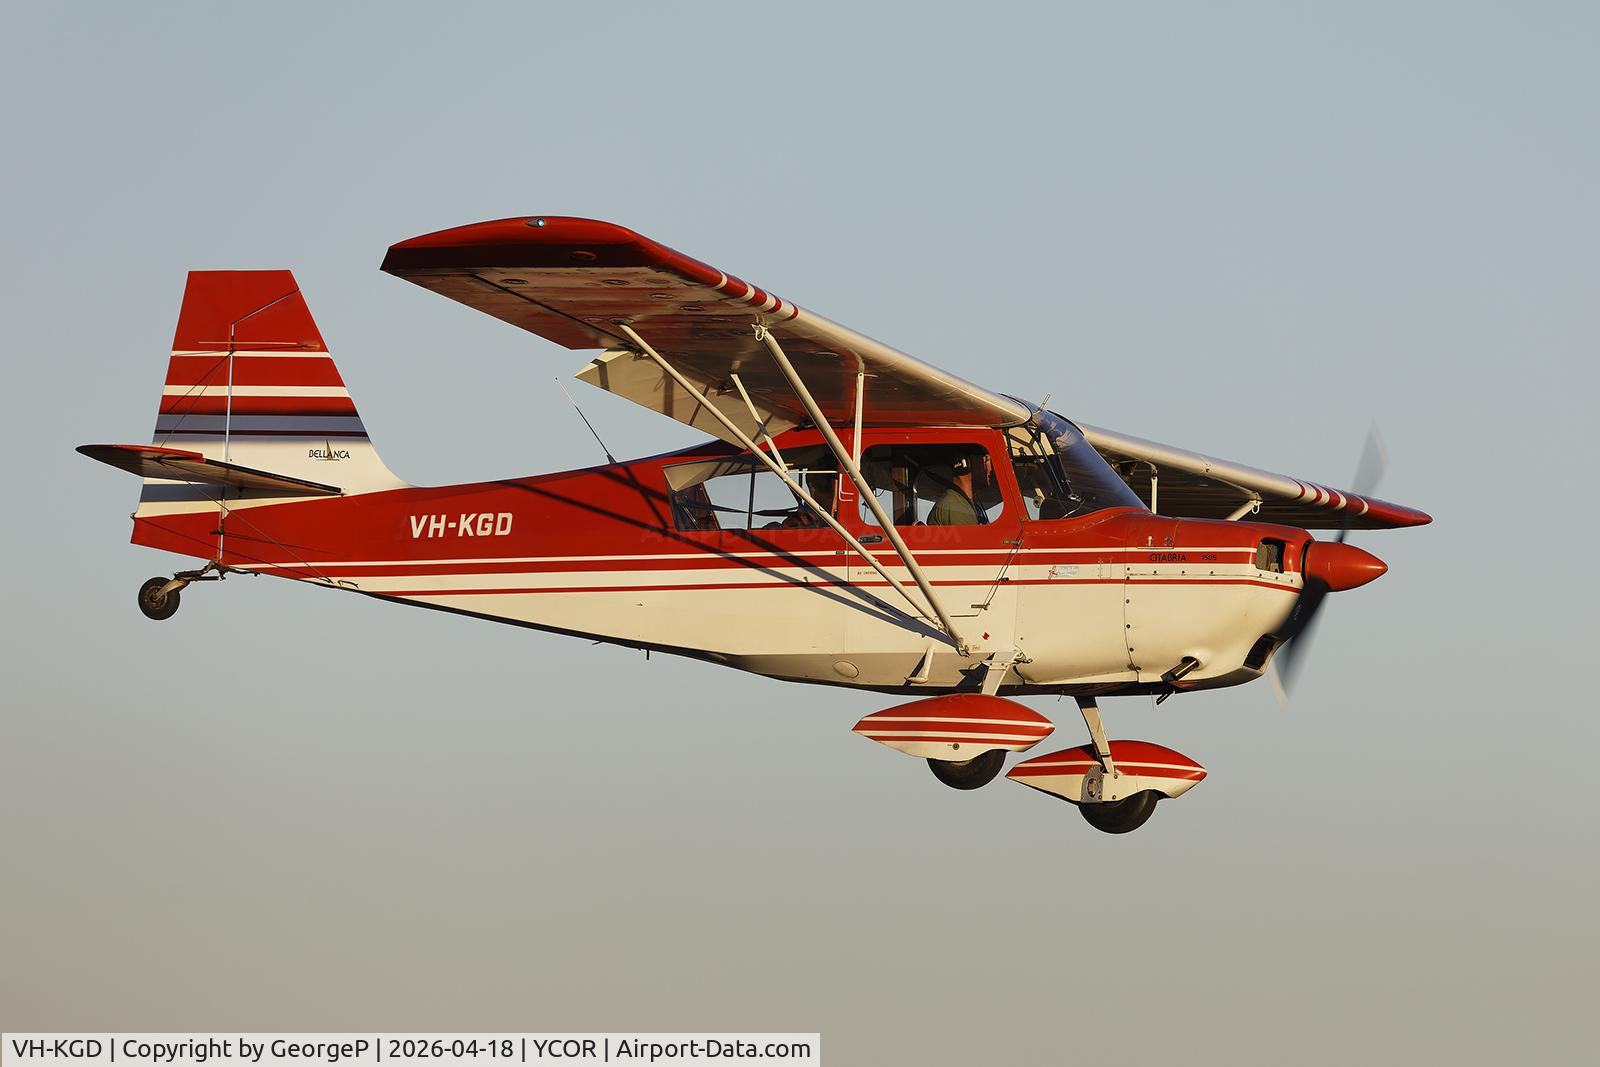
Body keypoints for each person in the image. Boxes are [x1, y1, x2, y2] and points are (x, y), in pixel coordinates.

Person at [926, 454, 982, 526]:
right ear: (964, 466)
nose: (990, 467)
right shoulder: (955, 507)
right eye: (986, 459)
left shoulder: (960, 503)